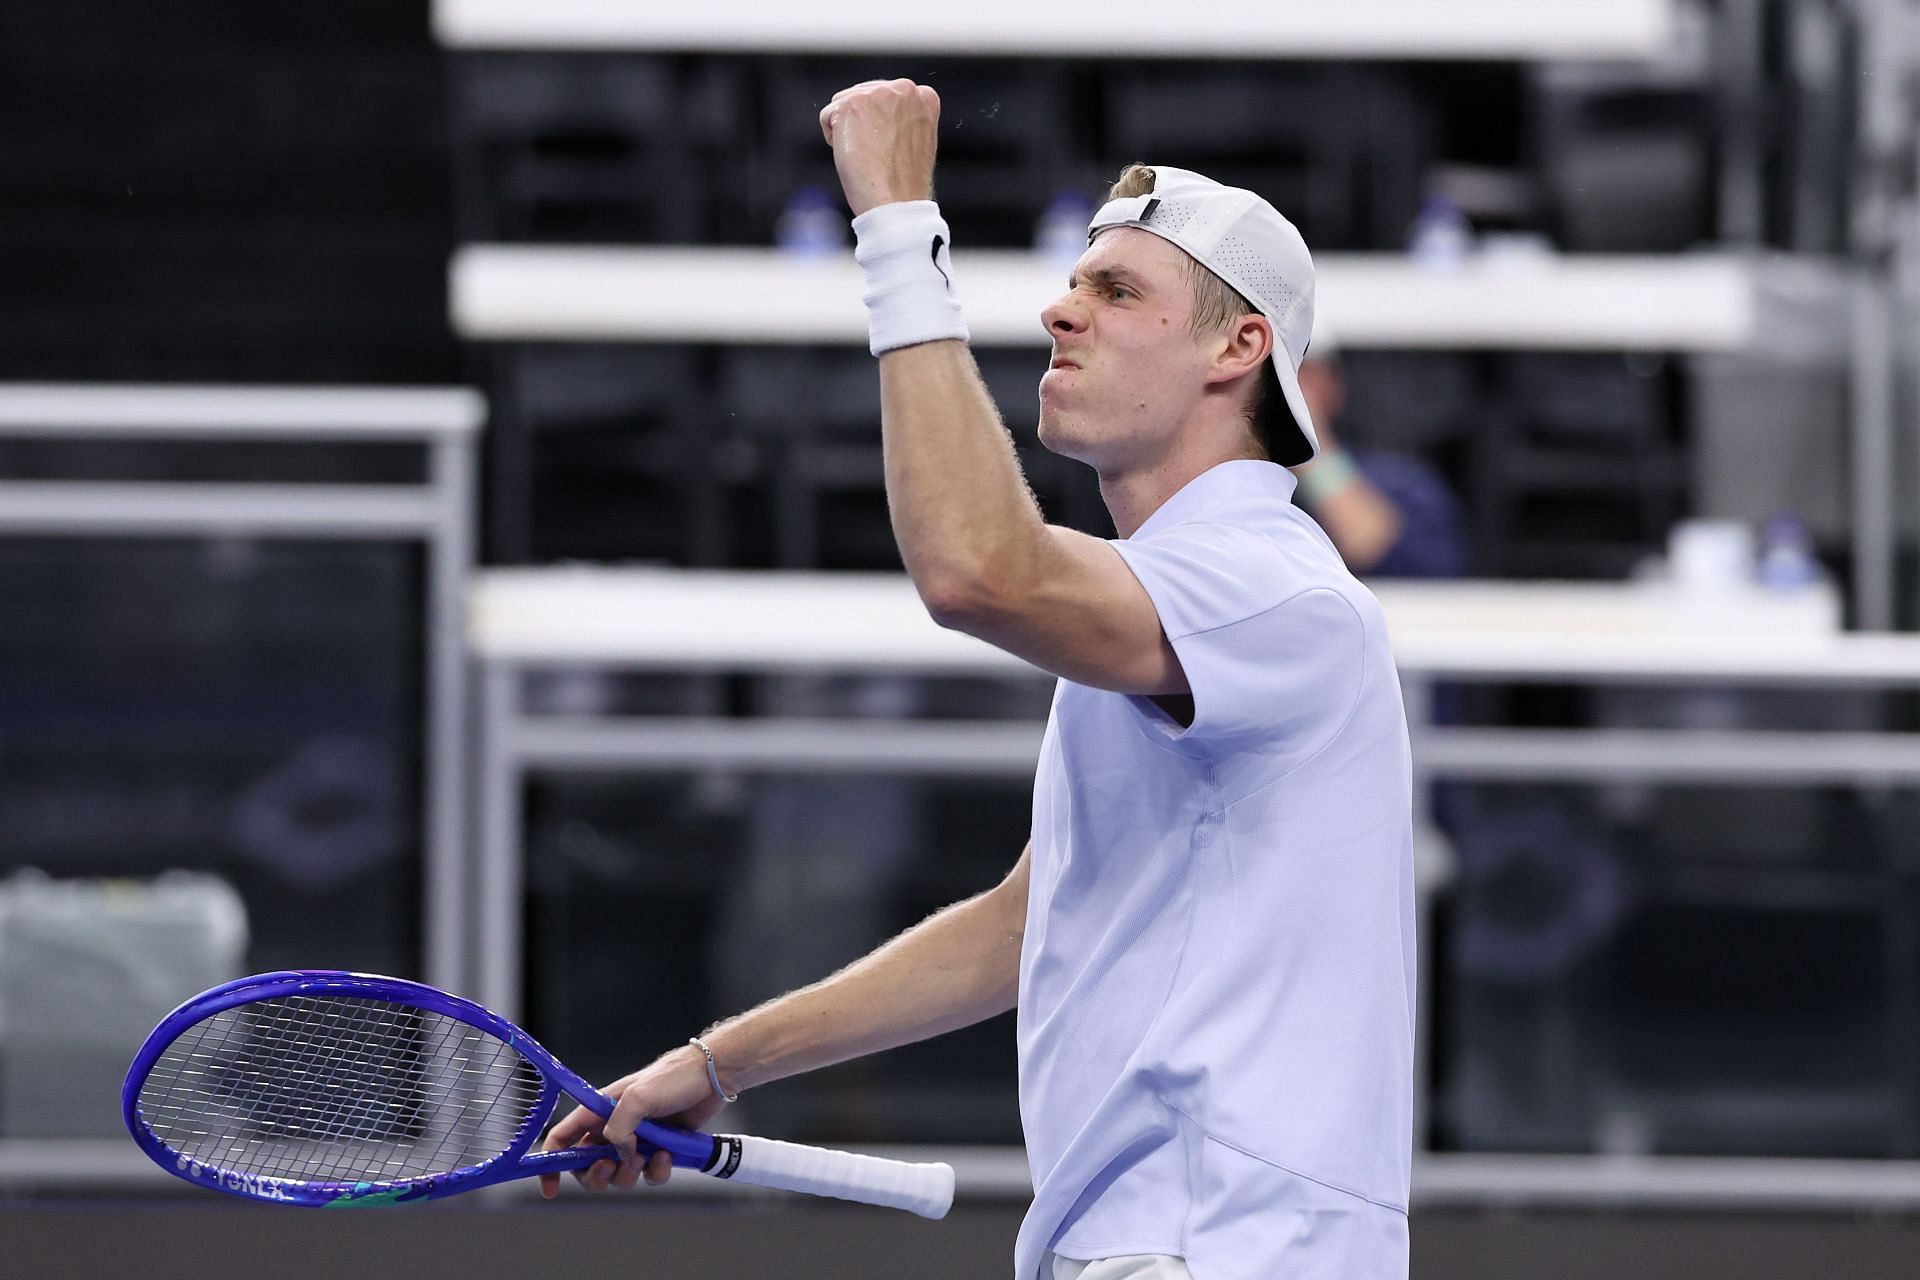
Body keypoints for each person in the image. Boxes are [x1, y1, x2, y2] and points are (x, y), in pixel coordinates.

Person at [540, 79, 1416, 1280]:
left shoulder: (1272, 586)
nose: (1061, 310)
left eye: (1116, 291)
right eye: (1072, 283)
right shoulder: (1183, 606)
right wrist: (715, 1063)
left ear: (1239, 346)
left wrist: (898, 225)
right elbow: (1022, 926)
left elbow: (975, 570)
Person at [1291, 327, 1470, 579]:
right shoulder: (1228, 478)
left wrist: (1307, 446)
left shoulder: (1404, 484)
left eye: (1300, 372)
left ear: (1333, 386)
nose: (1286, 389)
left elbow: (1370, 547)